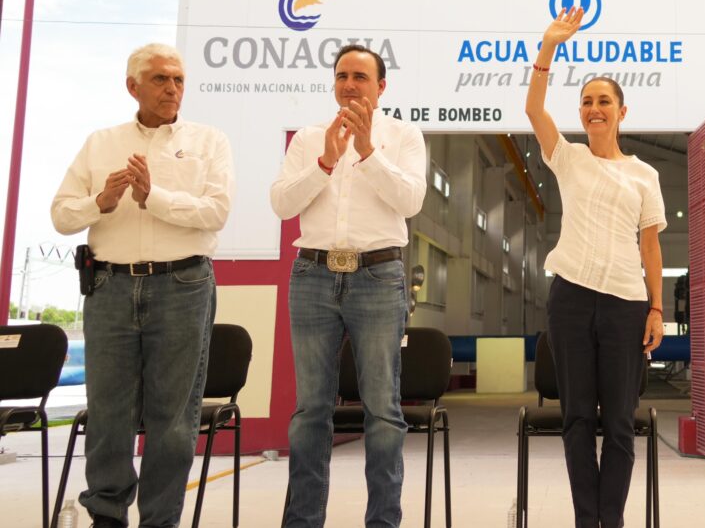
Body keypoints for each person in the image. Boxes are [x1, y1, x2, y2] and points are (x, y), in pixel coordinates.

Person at [51, 43, 234, 527]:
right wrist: (102, 201)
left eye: (177, 79)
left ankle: (160, 521)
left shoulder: (209, 140)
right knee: (107, 418)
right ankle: (106, 519)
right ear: (132, 86)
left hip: (183, 285)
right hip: (109, 287)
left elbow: (215, 212)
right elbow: (61, 215)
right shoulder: (100, 142)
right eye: (159, 79)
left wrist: (154, 196)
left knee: (173, 421)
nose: (172, 88)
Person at [271, 44, 427, 528]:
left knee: (382, 409)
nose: (349, 84)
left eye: (361, 76)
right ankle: (303, 521)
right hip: (312, 275)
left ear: (382, 87)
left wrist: (366, 153)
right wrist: (324, 162)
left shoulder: (403, 135)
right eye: (342, 75)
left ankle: (383, 522)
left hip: (378, 278)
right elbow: (281, 204)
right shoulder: (309, 138)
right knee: (310, 412)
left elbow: (411, 200)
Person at [525, 7, 666, 528]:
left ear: (622, 112)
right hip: (571, 300)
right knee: (578, 419)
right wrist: (549, 46)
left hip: (627, 304)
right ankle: (589, 521)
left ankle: (613, 520)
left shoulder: (645, 174)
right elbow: (535, 109)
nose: (594, 109)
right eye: (586, 102)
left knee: (621, 426)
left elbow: (652, 248)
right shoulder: (569, 158)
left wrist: (656, 308)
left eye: (604, 101)